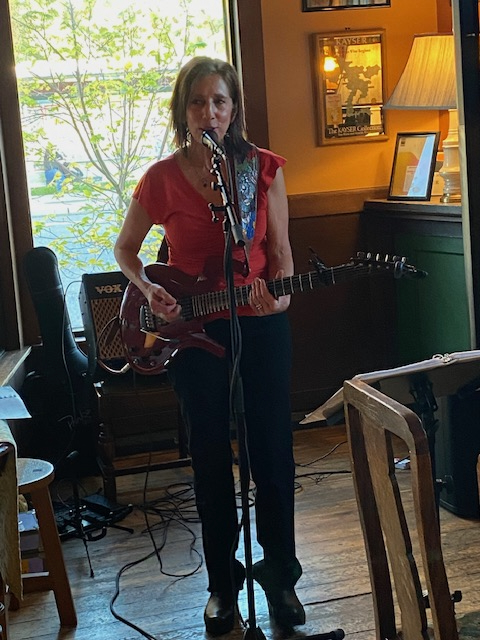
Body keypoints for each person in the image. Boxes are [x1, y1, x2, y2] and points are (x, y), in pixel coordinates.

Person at [114, 56, 305, 636]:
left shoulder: (261, 168)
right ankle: (222, 586)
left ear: (233, 108)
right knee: (210, 458)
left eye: (219, 101)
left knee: (273, 452)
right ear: (184, 111)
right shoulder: (161, 178)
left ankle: (281, 580)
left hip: (259, 324)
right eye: (197, 102)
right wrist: (149, 288)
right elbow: (125, 247)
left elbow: (281, 253)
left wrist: (281, 301)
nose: (209, 112)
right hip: (193, 331)